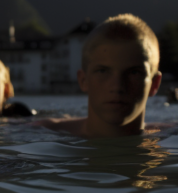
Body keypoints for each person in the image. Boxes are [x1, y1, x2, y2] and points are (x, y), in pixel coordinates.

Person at [36, 13, 164, 138]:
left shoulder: (175, 132)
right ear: (83, 80)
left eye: (133, 72)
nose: (117, 86)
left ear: (154, 84)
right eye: (102, 71)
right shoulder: (40, 130)